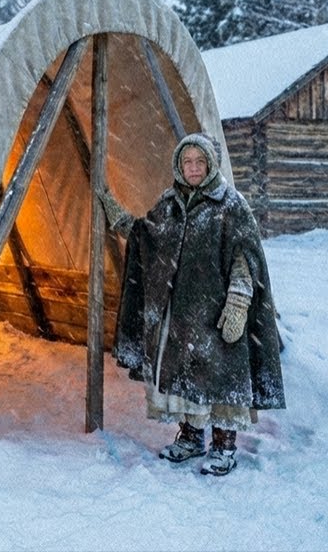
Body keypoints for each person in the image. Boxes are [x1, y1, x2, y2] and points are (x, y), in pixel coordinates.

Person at [112, 132, 284, 476]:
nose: (193, 168)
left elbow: (244, 261)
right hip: (182, 317)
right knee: (187, 379)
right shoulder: (169, 204)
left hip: (217, 315)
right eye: (187, 162)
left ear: (210, 164)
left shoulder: (229, 206)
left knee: (221, 381)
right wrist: (117, 216)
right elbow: (148, 237)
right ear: (179, 165)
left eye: (199, 162)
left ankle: (224, 447)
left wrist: (237, 305)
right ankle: (191, 438)